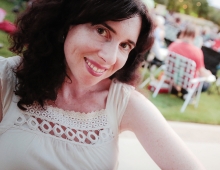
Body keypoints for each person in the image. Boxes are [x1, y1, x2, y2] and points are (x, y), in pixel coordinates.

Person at [0, 0, 205, 169]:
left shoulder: (122, 102)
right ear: (68, 23)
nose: (109, 57)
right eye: (102, 31)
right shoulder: (7, 79)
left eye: (124, 45)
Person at [168, 25, 212, 97]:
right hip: (188, 82)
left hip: (173, 77)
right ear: (195, 36)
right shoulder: (197, 52)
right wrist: (208, 74)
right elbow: (201, 71)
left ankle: (179, 90)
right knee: (206, 84)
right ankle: (187, 95)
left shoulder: (174, 45)